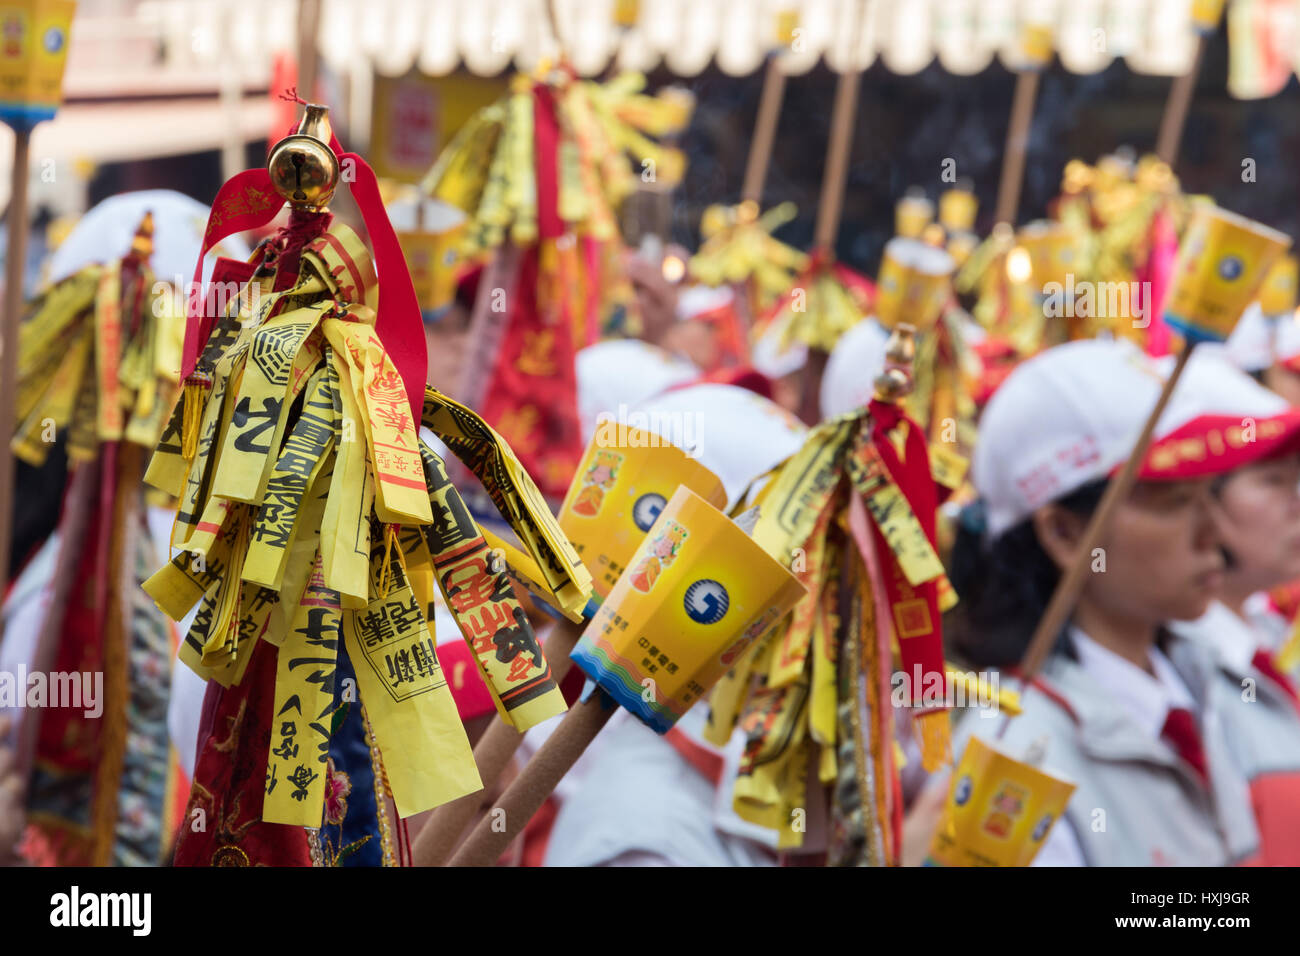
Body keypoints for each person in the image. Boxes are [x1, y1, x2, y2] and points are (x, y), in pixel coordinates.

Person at [944, 339, 1297, 866]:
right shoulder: (1017, 758)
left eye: (1209, 494)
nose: (1212, 532)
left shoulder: (1204, 684)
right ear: (1064, 534)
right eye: (1177, 502)